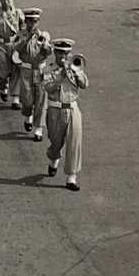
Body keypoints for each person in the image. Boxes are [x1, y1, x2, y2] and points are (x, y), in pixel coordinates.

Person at [43, 40, 89, 191]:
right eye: (61, 52)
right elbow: (48, 88)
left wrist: (75, 72)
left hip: (72, 109)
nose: (64, 56)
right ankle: (53, 158)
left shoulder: (74, 67)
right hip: (55, 109)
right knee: (56, 141)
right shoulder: (49, 69)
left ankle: (71, 177)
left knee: (74, 142)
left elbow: (84, 84)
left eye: (66, 53)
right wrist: (60, 77)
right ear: (55, 53)